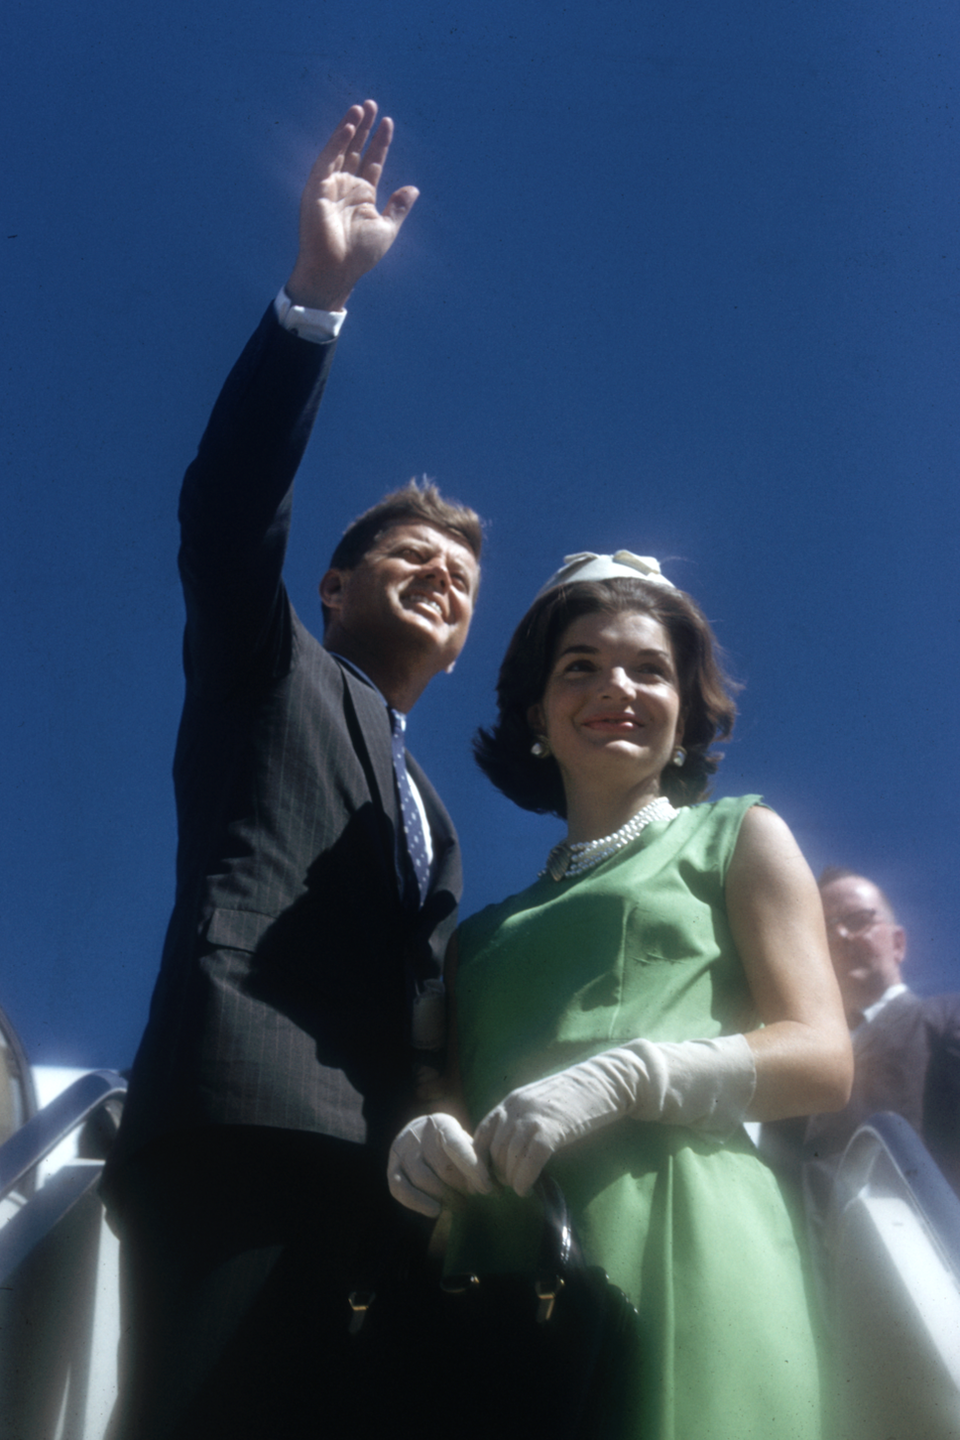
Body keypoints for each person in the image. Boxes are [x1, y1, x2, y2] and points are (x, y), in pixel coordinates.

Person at [102, 100, 483, 1438]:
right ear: (332, 589)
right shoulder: (269, 669)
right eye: (410, 559)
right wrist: (318, 295)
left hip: (395, 1193)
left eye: (463, 580)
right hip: (238, 1138)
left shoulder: (434, 810)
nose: (442, 578)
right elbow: (224, 512)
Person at [389, 552, 853, 1440]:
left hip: (694, 1243)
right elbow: (446, 1103)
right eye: (582, 667)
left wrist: (631, 1076)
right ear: (537, 715)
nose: (618, 687)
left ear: (684, 713)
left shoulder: (740, 836)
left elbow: (823, 1059)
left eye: (650, 669)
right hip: (503, 1274)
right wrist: (422, 1151)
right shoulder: (478, 940)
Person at [763, 868, 960, 1200]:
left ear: (898, 943)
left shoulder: (947, 1017)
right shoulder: (795, 1064)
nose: (839, 934)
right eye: (823, 930)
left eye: (857, 919)